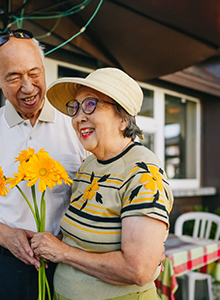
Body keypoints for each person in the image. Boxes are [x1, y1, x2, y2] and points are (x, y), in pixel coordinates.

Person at [0, 29, 85, 300]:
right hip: (2, 267)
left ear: (44, 67)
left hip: (67, 266)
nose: (28, 87)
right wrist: (7, 236)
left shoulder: (77, 125)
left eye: (34, 73)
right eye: (14, 77)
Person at [31, 67, 174, 300]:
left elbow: (138, 270)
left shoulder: (143, 172)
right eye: (75, 108)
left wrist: (63, 252)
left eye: (90, 104)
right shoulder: (89, 166)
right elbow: (82, 238)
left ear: (122, 117)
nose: (78, 117)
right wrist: (48, 244)